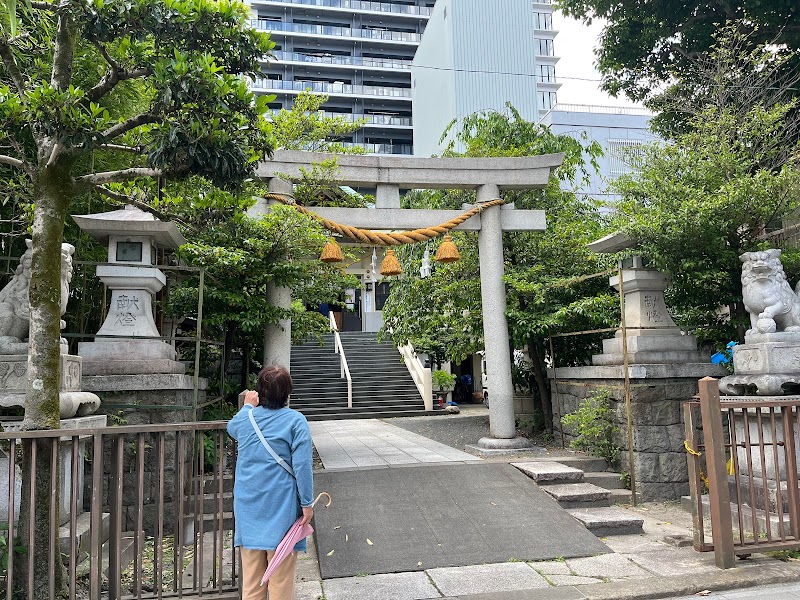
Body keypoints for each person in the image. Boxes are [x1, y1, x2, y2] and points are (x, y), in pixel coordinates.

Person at [227, 365, 314, 600]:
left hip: (249, 509)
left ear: (259, 391)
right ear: (288, 393)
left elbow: (231, 427)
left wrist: (247, 405)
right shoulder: (296, 421)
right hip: (282, 510)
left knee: (253, 585)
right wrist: (307, 504)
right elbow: (303, 466)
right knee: (281, 584)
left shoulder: (246, 419)